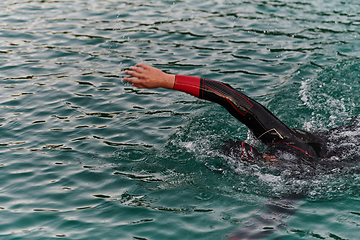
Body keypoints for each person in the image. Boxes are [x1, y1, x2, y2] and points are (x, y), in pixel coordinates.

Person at [124, 63, 329, 163]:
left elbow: (276, 214)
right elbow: (229, 97)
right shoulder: (285, 140)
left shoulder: (301, 172)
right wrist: (166, 80)